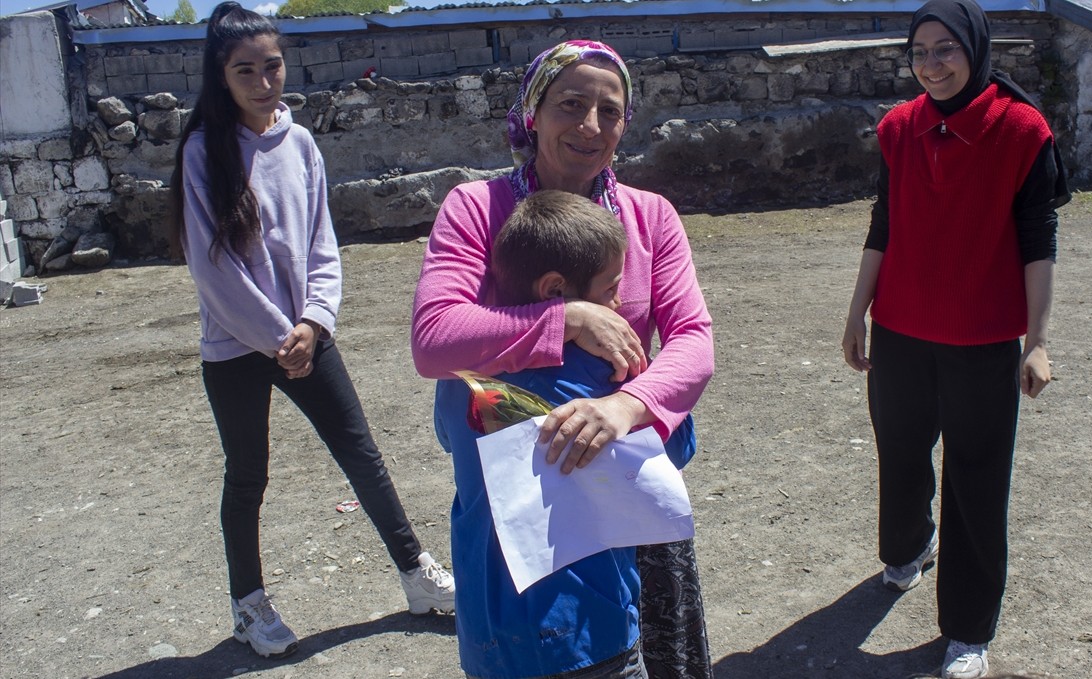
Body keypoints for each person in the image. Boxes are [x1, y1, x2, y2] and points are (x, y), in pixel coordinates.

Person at [412, 40, 715, 679]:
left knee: (638, 653)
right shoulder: (478, 210)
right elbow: (436, 339)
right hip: (528, 498)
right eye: (570, 104)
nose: (590, 126)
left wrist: (626, 406)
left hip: (619, 471)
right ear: (533, 112)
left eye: (610, 111)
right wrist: (569, 318)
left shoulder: (650, 216)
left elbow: (692, 339)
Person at [169, 2, 454, 660]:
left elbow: (324, 243)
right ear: (221, 74)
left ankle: (418, 575)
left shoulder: (299, 143)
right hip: (237, 349)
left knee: (363, 456)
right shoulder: (201, 154)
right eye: (247, 71)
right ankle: (250, 605)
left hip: (308, 337)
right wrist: (279, 336)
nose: (264, 82)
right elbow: (214, 270)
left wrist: (314, 321)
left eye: (272, 66)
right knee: (247, 477)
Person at [840, 1, 1070, 678]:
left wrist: (1038, 339)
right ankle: (910, 544)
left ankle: (969, 628)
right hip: (903, 327)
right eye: (920, 51)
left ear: (974, 48)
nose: (932, 64)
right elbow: (884, 224)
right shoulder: (898, 128)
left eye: (946, 49)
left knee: (977, 474)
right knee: (901, 450)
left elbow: (1039, 241)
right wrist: (856, 312)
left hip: (983, 334)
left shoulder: (1021, 130)